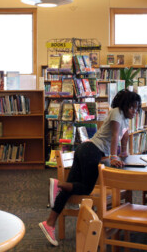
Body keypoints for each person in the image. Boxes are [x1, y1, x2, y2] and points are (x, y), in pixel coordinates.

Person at [39, 89, 141, 246]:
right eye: (132, 107)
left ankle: (50, 223)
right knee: (86, 188)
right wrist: (114, 157)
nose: (135, 111)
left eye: (137, 108)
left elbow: (123, 136)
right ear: (124, 105)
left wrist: (124, 151)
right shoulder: (116, 112)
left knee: (70, 188)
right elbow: (115, 136)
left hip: (86, 150)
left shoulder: (123, 118)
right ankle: (58, 184)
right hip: (92, 151)